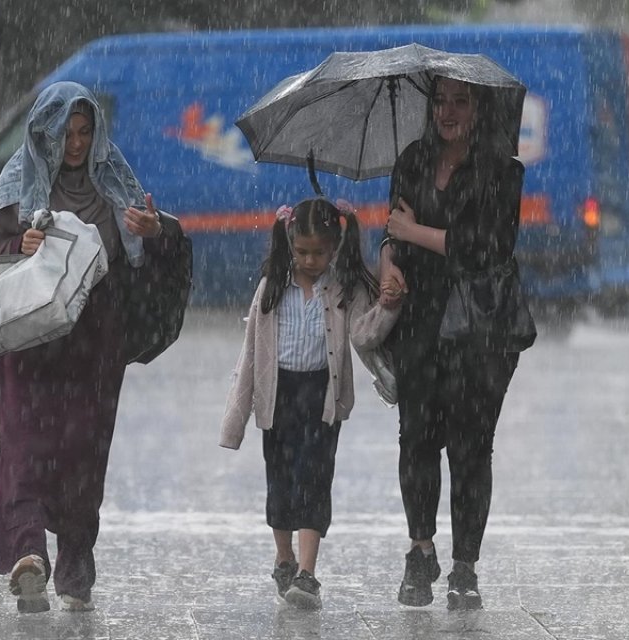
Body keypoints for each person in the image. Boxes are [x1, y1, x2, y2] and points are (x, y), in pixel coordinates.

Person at [0, 81, 170, 614]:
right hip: (31, 340)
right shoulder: (18, 185)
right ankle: (28, 555)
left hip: (94, 342)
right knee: (24, 441)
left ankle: (76, 568)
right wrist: (22, 246)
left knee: (84, 450)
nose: (77, 144)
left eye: (86, 132)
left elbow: (147, 255)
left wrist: (153, 233)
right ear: (44, 131)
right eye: (66, 132)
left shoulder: (115, 182)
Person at [380, 75, 525, 610]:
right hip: (418, 321)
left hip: (480, 329)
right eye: (439, 101)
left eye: (460, 101)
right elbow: (391, 230)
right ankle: (420, 551)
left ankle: (465, 566)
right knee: (416, 439)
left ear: (480, 107)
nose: (447, 112)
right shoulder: (412, 160)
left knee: (469, 445)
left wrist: (415, 234)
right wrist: (388, 260)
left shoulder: (504, 171)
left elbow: (485, 248)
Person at [219, 197, 378, 610]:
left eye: (319, 252)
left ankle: (307, 573)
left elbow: (364, 334)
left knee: (315, 477)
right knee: (282, 479)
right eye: (302, 251)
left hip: (322, 396)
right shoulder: (272, 286)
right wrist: (236, 415)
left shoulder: (343, 287)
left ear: (335, 246)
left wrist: (390, 307)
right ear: (289, 243)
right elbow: (251, 351)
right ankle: (284, 556)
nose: (310, 260)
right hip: (278, 396)